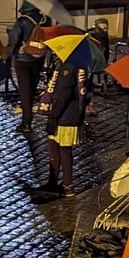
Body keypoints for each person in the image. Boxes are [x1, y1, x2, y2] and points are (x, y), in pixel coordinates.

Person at [41, 55, 91, 195]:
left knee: (62, 149)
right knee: (57, 147)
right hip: (70, 114)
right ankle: (55, 182)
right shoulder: (80, 64)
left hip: (65, 116)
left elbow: (64, 94)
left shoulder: (68, 67)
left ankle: (66, 185)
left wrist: (53, 117)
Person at [7, 2, 45, 127]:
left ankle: (26, 122)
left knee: (24, 91)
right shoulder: (45, 20)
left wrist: (8, 56)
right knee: (32, 88)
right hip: (38, 58)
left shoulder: (22, 21)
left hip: (22, 59)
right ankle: (28, 118)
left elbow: (14, 40)